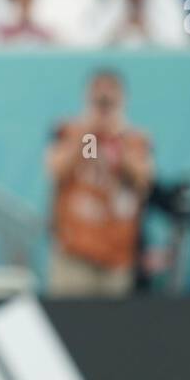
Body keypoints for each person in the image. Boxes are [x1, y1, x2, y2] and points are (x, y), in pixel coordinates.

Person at [45, 70, 153, 296]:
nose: (103, 105)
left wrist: (116, 141)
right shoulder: (68, 131)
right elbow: (55, 170)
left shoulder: (134, 139)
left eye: (109, 99)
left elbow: (144, 180)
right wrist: (88, 132)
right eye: (98, 99)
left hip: (117, 256)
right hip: (75, 251)